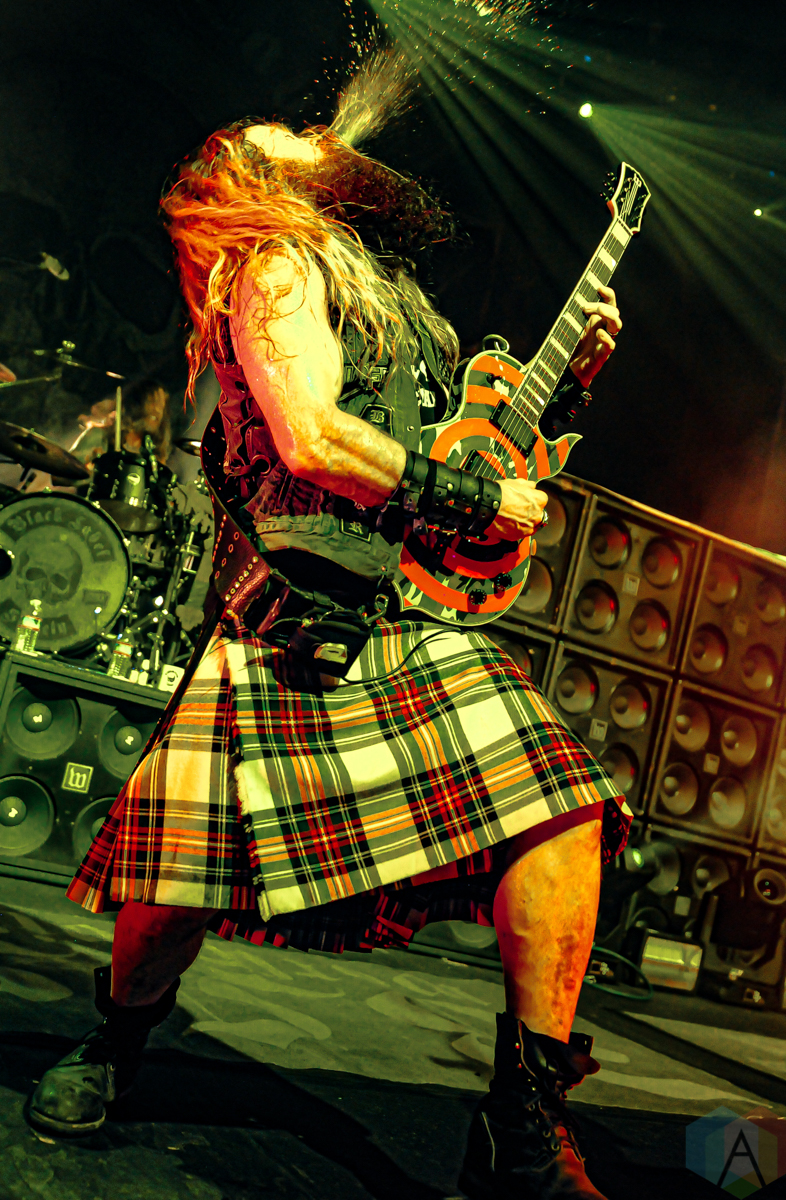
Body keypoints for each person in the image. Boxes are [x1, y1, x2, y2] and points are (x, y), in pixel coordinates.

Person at [26, 109, 630, 1199]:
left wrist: (566, 389)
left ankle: (525, 1125)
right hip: (286, 621)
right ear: (252, 179)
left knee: (561, 809)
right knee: (174, 891)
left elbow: (442, 464)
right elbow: (310, 437)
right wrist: (471, 496)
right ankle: (115, 1041)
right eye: (286, 133)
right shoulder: (275, 264)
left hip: (402, 622)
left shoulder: (390, 295)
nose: (319, 132)